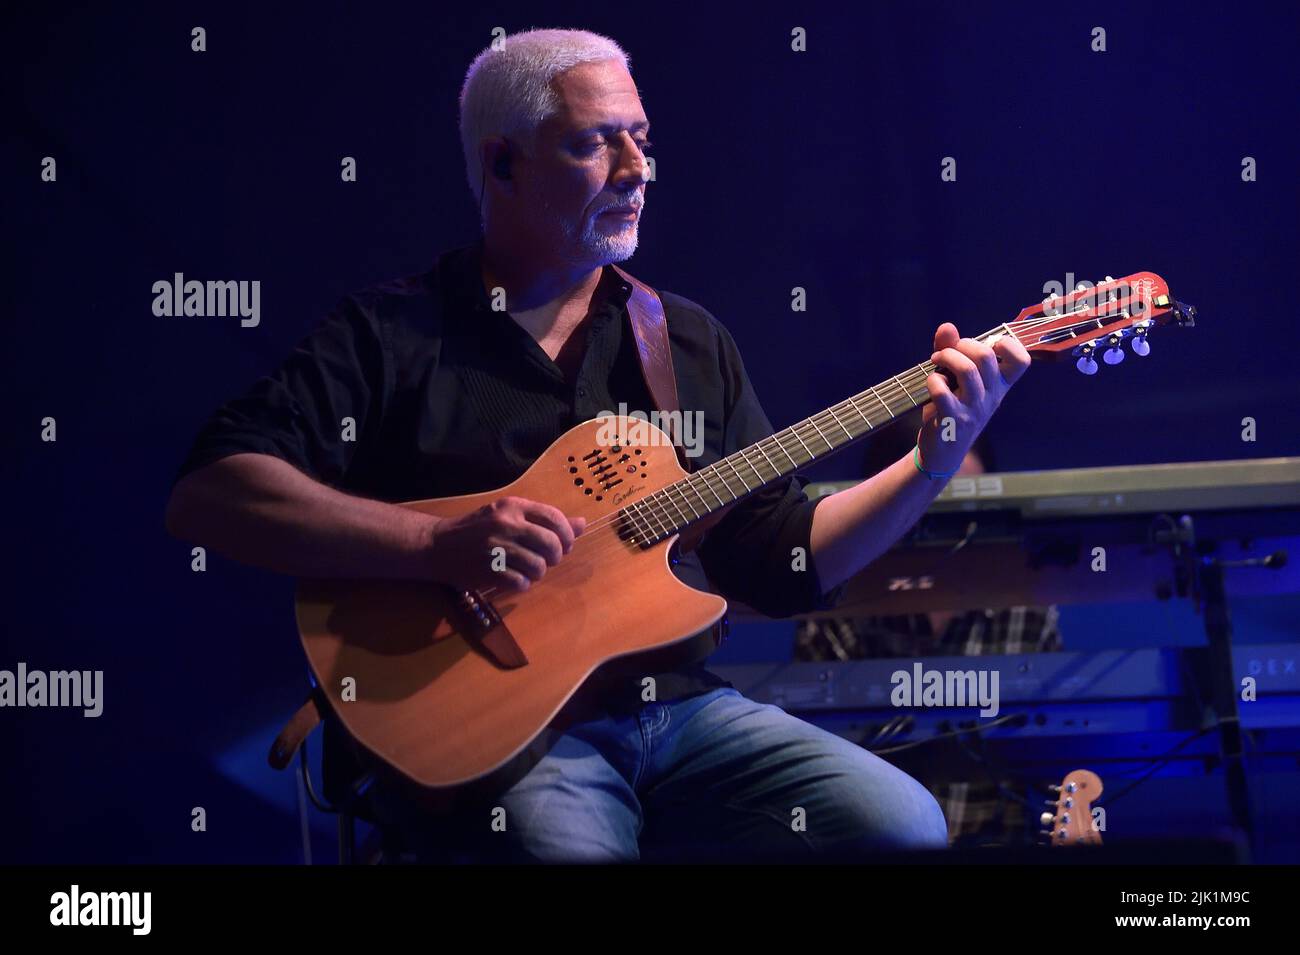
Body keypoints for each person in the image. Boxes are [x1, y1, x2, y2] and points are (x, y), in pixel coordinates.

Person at [164, 28, 1030, 862]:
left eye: (643, 140)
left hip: (681, 714)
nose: (637, 170)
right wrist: (434, 545)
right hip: (503, 738)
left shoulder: (683, 341)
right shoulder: (390, 334)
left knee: (903, 825)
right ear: (503, 164)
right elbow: (212, 490)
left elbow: (780, 560)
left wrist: (929, 465)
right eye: (595, 145)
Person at [796, 410, 1062, 847]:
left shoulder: (1025, 613)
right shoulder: (840, 614)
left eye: (965, 512)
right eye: (928, 506)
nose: (948, 534)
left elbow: (1055, 767)